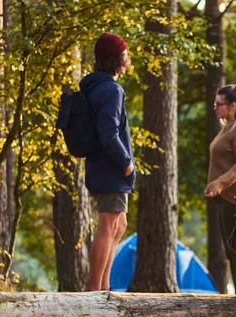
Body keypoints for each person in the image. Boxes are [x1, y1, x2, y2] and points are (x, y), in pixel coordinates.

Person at [80, 32, 135, 291]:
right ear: (117, 59)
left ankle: (103, 287)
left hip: (99, 166)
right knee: (108, 224)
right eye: (124, 53)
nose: (128, 57)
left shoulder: (94, 86)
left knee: (119, 223)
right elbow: (108, 132)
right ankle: (94, 290)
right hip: (111, 168)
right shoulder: (112, 89)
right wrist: (126, 162)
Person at [205, 84, 236, 294]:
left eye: (219, 104)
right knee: (230, 250)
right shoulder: (227, 128)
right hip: (224, 199)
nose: (215, 107)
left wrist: (218, 184)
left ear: (233, 105)